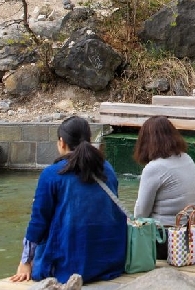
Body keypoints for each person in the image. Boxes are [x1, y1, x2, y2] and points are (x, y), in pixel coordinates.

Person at [10, 116, 126, 284]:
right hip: (109, 263)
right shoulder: (107, 168)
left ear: (62, 142)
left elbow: (38, 222)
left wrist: (25, 262)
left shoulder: (52, 174)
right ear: (89, 140)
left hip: (68, 266)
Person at [132, 116, 195, 259]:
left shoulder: (154, 168)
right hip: (193, 236)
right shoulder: (187, 158)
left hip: (166, 241)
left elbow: (141, 214)